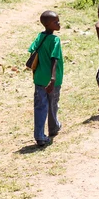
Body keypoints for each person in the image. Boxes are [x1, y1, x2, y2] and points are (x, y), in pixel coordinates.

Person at [28, 11, 63, 146]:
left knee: (40, 107)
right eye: (56, 22)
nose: (59, 24)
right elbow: (54, 59)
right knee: (53, 104)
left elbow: (32, 49)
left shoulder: (40, 37)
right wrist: (53, 78)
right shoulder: (55, 40)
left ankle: (40, 135)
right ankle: (53, 128)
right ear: (47, 24)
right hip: (53, 80)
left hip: (39, 78)